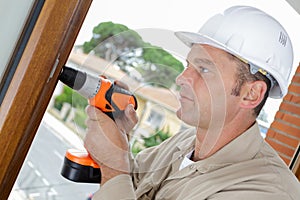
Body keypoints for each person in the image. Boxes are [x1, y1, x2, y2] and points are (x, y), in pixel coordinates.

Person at [84, 6, 300, 199]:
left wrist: (115, 171)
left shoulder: (270, 191)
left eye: (204, 69)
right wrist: (118, 142)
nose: (182, 78)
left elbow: (118, 179)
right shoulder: (184, 143)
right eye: (188, 65)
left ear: (251, 94)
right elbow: (131, 185)